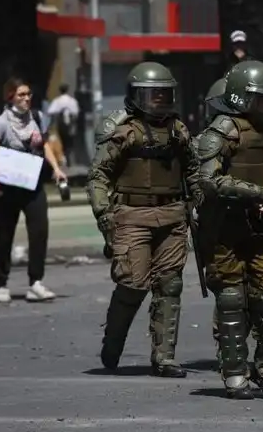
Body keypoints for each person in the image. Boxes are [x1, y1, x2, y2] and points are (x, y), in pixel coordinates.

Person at [87, 61, 204, 378]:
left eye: (165, 95)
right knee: (132, 283)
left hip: (172, 216)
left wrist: (198, 202)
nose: (160, 101)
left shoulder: (179, 131)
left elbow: (193, 171)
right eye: (153, 95)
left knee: (170, 284)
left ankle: (164, 357)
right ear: (137, 96)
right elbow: (98, 176)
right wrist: (104, 214)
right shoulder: (124, 132)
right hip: (132, 216)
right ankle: (113, 342)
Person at [193, 60, 263, 399]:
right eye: (261, 99)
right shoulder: (222, 131)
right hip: (224, 232)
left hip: (261, 232)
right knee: (232, 300)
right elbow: (208, 181)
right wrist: (257, 192)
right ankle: (235, 374)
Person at [0, 77, 66, 303]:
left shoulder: (37, 117)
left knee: (39, 231)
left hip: (32, 183)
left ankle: (35, 283)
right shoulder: (1, 123)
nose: (26, 98)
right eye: (21, 94)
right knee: (3, 235)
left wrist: (56, 168)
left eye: (28, 94)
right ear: (10, 97)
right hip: (7, 187)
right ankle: (1, 283)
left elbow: (44, 145)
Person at [47, 83, 80, 165]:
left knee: (62, 140)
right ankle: (68, 157)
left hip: (61, 122)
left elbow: (50, 111)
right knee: (70, 141)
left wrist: (59, 111)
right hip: (70, 122)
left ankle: (64, 157)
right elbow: (76, 112)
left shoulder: (57, 101)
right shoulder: (72, 101)